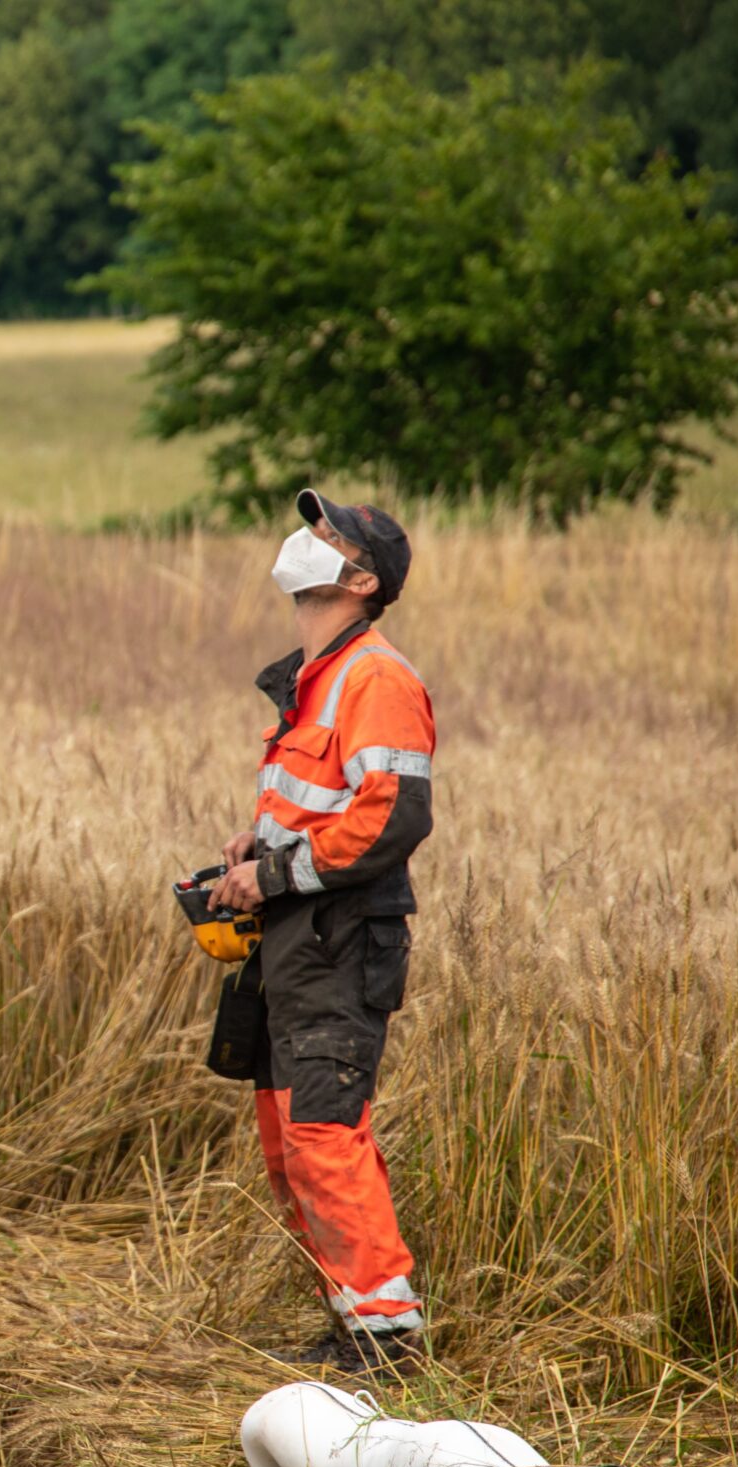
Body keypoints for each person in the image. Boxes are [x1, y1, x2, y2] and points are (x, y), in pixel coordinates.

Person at [207, 489, 436, 1367]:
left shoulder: (376, 676)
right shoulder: (317, 678)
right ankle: (351, 1322)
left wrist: (271, 872)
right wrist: (257, 842)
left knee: (324, 1132)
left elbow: (393, 817)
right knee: (289, 1134)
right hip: (296, 941)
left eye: (328, 533)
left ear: (362, 578)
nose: (308, 539)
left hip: (342, 939)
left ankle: (388, 1346)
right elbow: (328, 805)